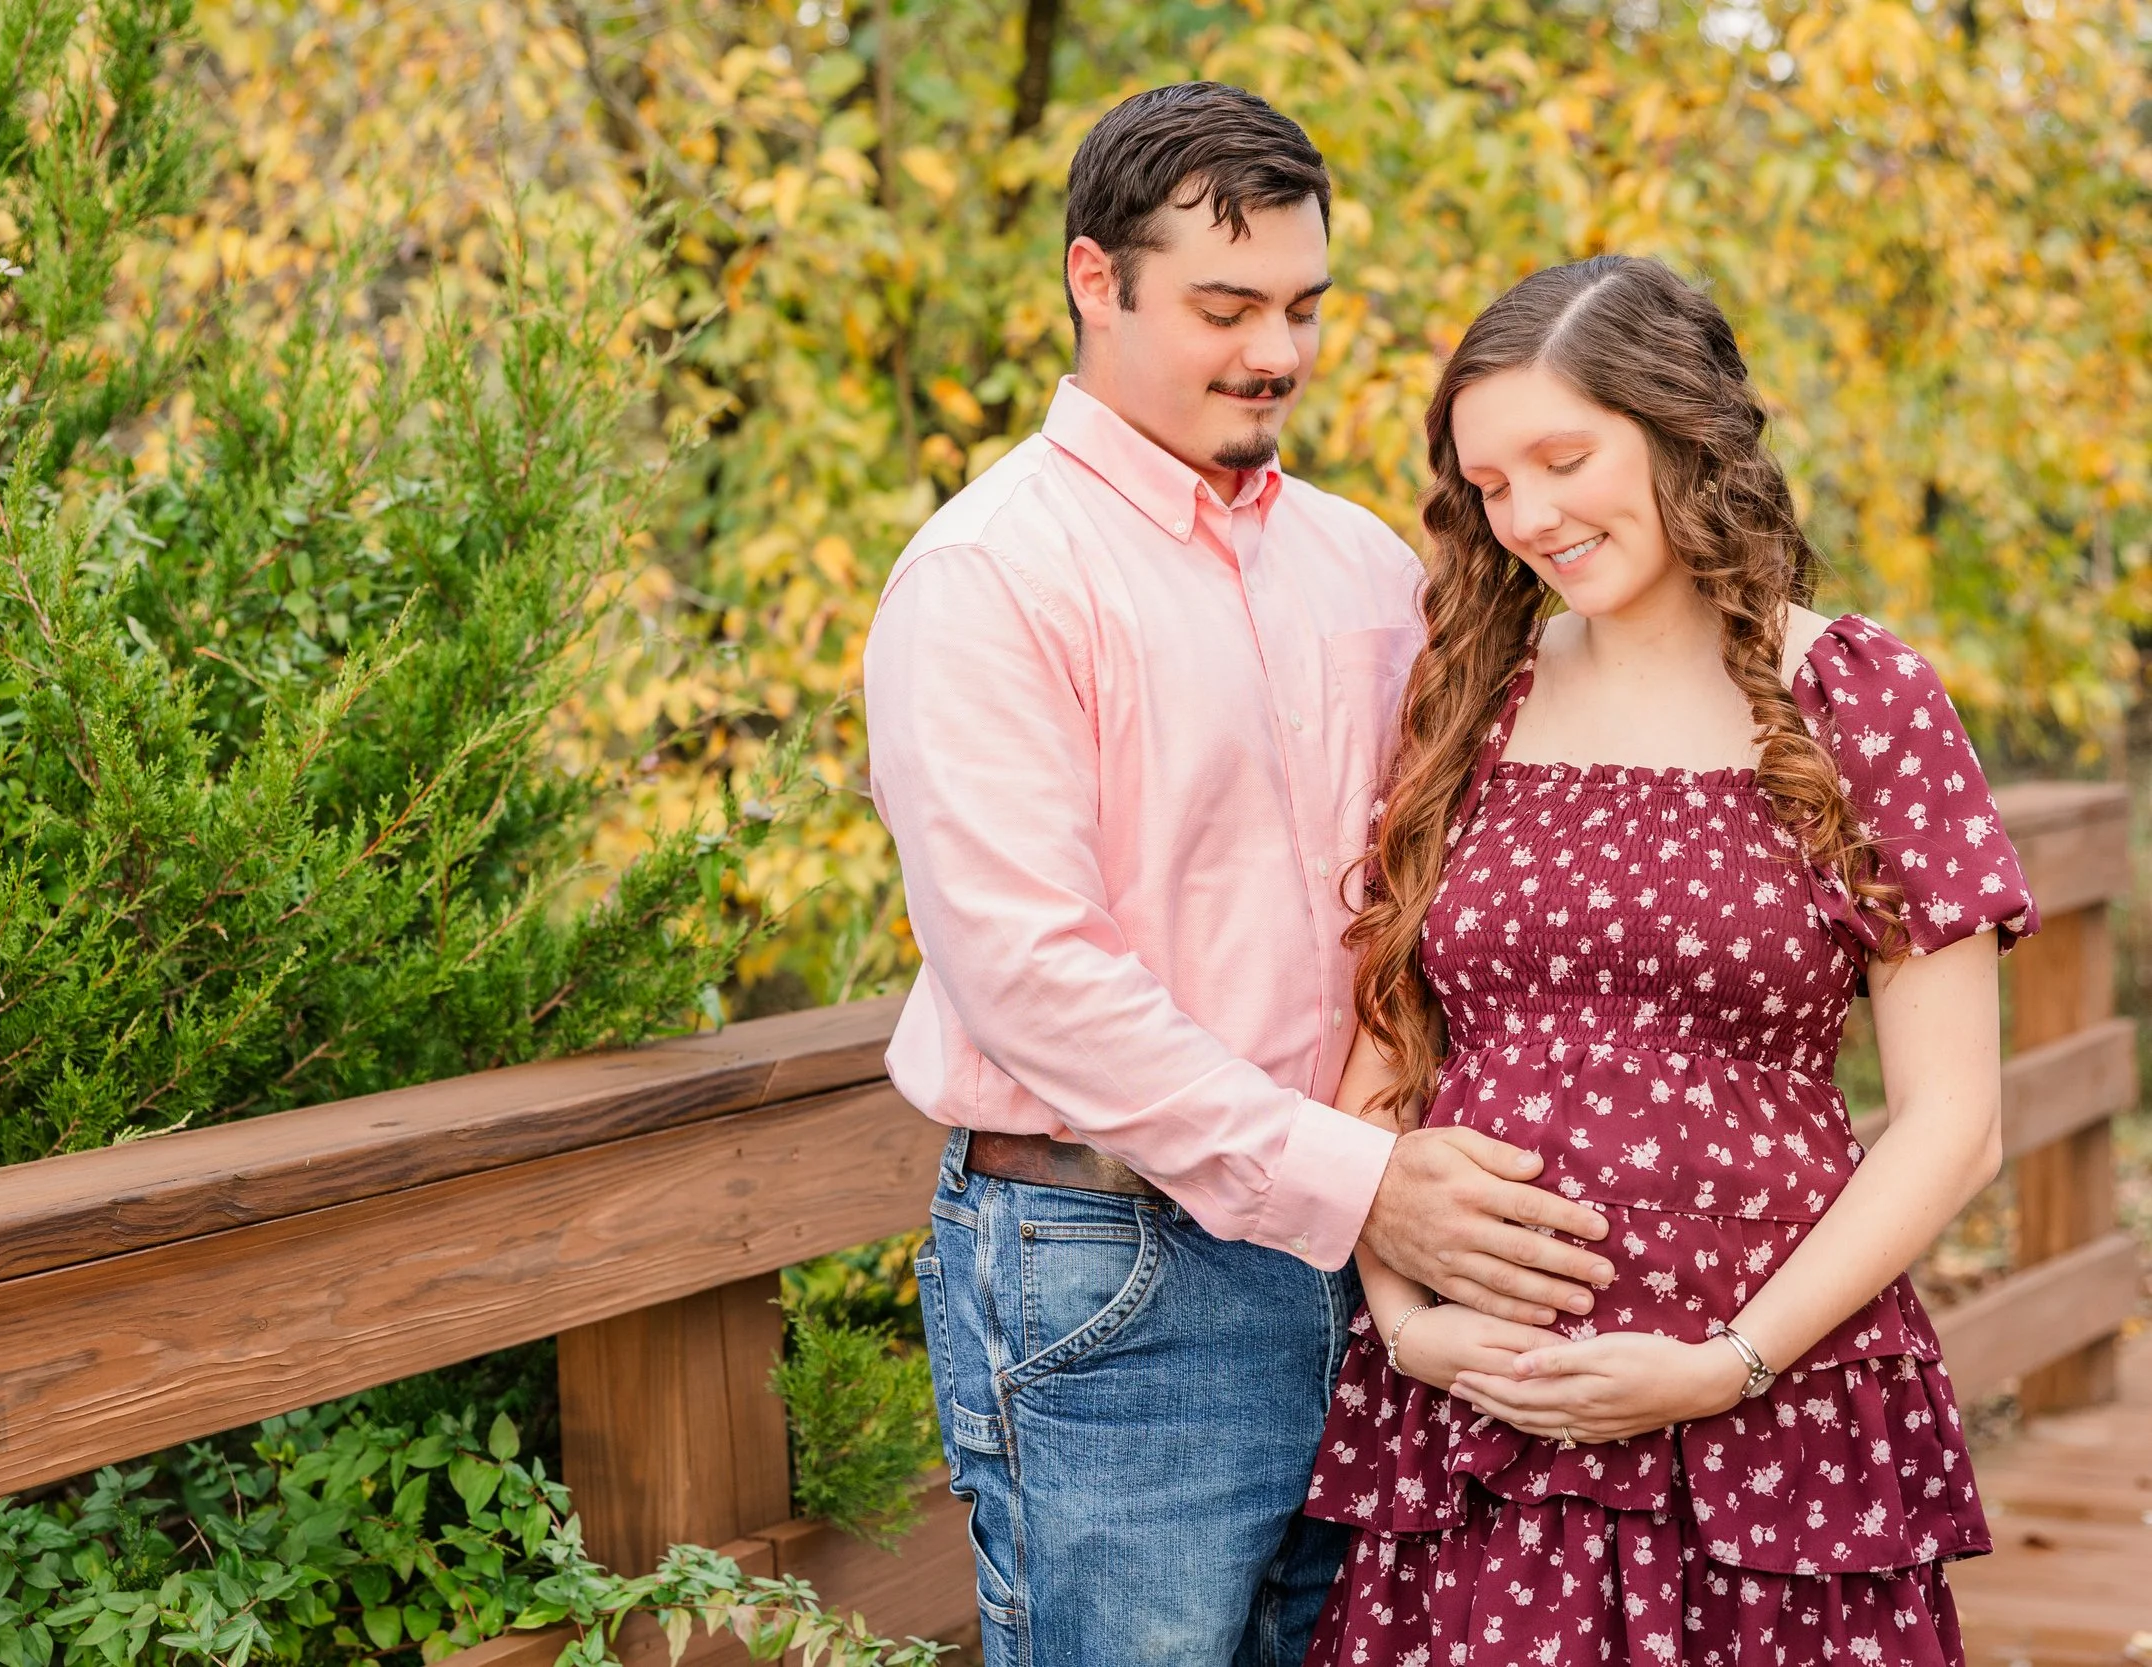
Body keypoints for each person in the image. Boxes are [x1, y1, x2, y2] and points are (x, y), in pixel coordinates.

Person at [864, 83, 1618, 1667]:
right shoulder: (989, 579)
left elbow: (1439, 882)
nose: (1275, 351)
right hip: (1111, 1273)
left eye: (1302, 307)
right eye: (1225, 307)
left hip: (1375, 1266)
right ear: (1095, 279)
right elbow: (1033, 977)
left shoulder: (1366, 567)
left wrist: (1384, 1174)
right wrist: (1363, 1188)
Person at [1300, 254, 2028, 1667]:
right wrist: (1406, 1325)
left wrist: (1724, 1364)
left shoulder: (1864, 700)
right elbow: (1385, 1055)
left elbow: (1958, 1120)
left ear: (1679, 423)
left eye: (1564, 458)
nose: (1530, 517)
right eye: (1491, 484)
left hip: (1769, 1422)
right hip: (1481, 1435)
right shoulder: (1464, 701)